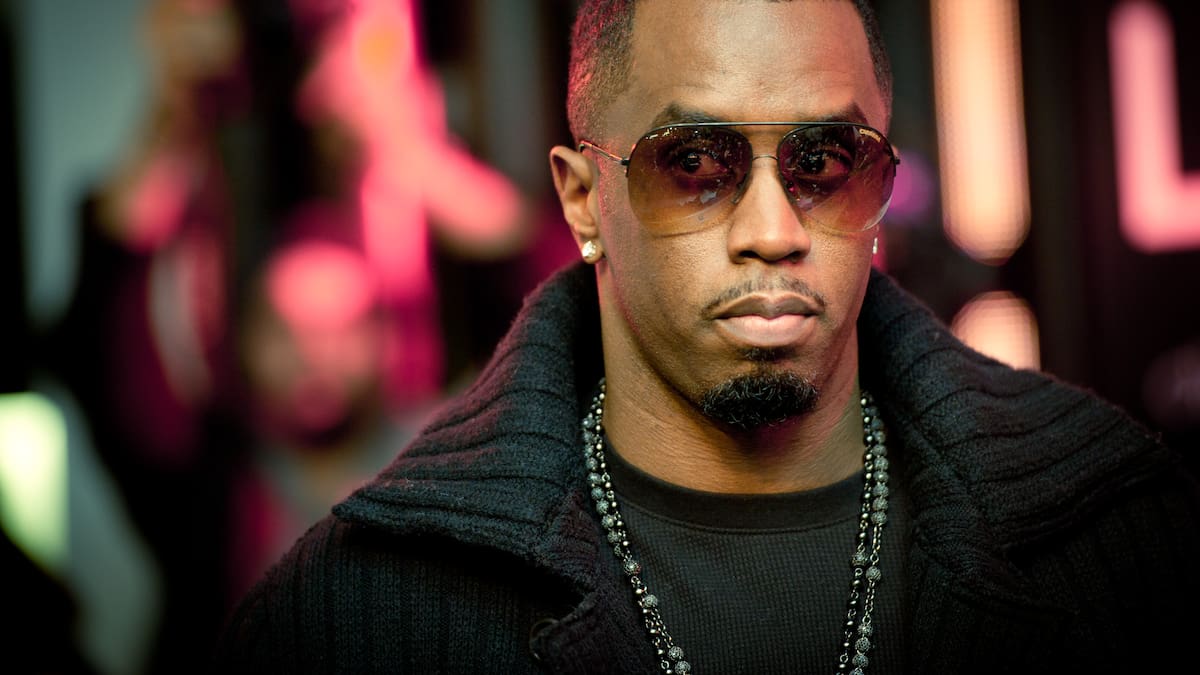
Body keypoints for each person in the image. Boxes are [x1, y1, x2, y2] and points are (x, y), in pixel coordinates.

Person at [214, 1, 1200, 673]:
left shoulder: (1124, 545)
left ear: (881, 187)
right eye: (692, 163)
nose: (772, 230)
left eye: (823, 161)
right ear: (582, 200)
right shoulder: (358, 615)